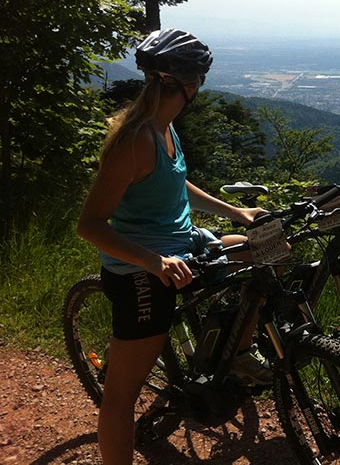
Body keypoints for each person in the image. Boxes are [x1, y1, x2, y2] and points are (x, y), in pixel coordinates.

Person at [77, 29, 270, 465]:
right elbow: (89, 225)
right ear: (189, 84)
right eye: (199, 79)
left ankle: (237, 353)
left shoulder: (165, 130)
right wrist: (152, 259)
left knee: (257, 250)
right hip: (141, 269)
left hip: (182, 247)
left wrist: (236, 213)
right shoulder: (135, 139)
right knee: (121, 394)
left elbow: (174, 183)